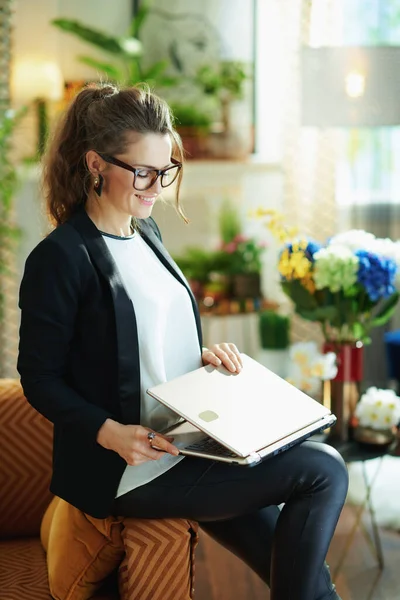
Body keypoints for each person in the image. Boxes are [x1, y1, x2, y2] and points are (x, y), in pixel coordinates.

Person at [17, 83, 348, 600]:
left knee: (312, 584)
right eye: (143, 172)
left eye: (165, 170)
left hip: (192, 446)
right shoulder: (62, 257)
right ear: (95, 163)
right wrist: (109, 433)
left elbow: (143, 344)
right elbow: (38, 379)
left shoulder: (146, 234)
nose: (156, 186)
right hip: (133, 470)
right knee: (323, 469)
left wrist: (204, 357)